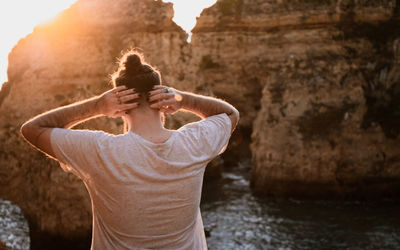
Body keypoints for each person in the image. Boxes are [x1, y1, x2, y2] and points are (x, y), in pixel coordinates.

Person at [20, 50, 239, 249]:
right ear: (160, 99)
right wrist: (182, 99)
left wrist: (96, 106)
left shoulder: (101, 152)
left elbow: (32, 129)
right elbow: (230, 115)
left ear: (121, 107)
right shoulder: (193, 144)